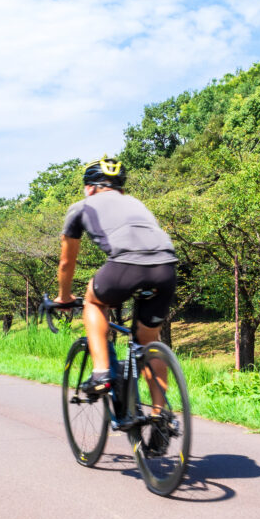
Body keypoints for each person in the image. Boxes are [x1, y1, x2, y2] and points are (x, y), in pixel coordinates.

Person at [52, 155, 178, 402]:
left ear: (89, 187)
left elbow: (67, 262)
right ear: (120, 187)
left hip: (125, 265)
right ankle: (159, 416)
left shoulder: (81, 207)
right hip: (166, 267)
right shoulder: (136, 203)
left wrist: (64, 297)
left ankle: (101, 373)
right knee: (148, 341)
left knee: (93, 301)